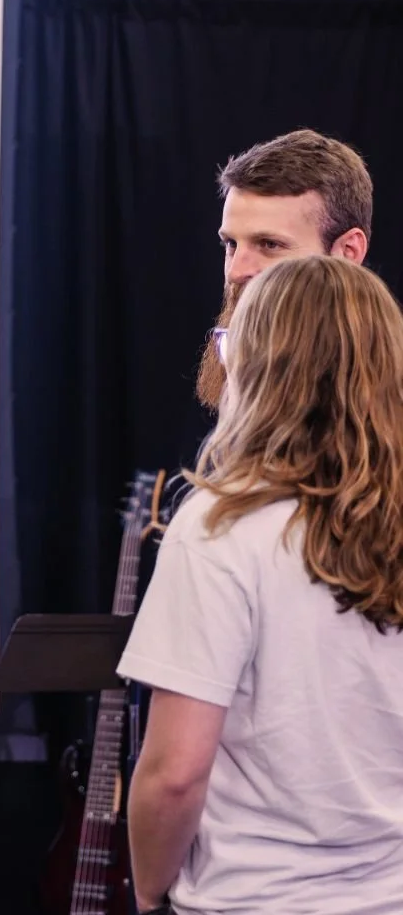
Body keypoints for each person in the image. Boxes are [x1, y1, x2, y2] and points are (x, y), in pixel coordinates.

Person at [119, 255, 403, 914]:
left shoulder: (220, 528)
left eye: (229, 341)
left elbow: (174, 775)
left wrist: (150, 889)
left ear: (258, 367)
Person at [195, 128, 371, 410]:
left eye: (269, 244)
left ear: (348, 253)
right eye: (230, 244)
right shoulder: (244, 402)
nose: (236, 271)